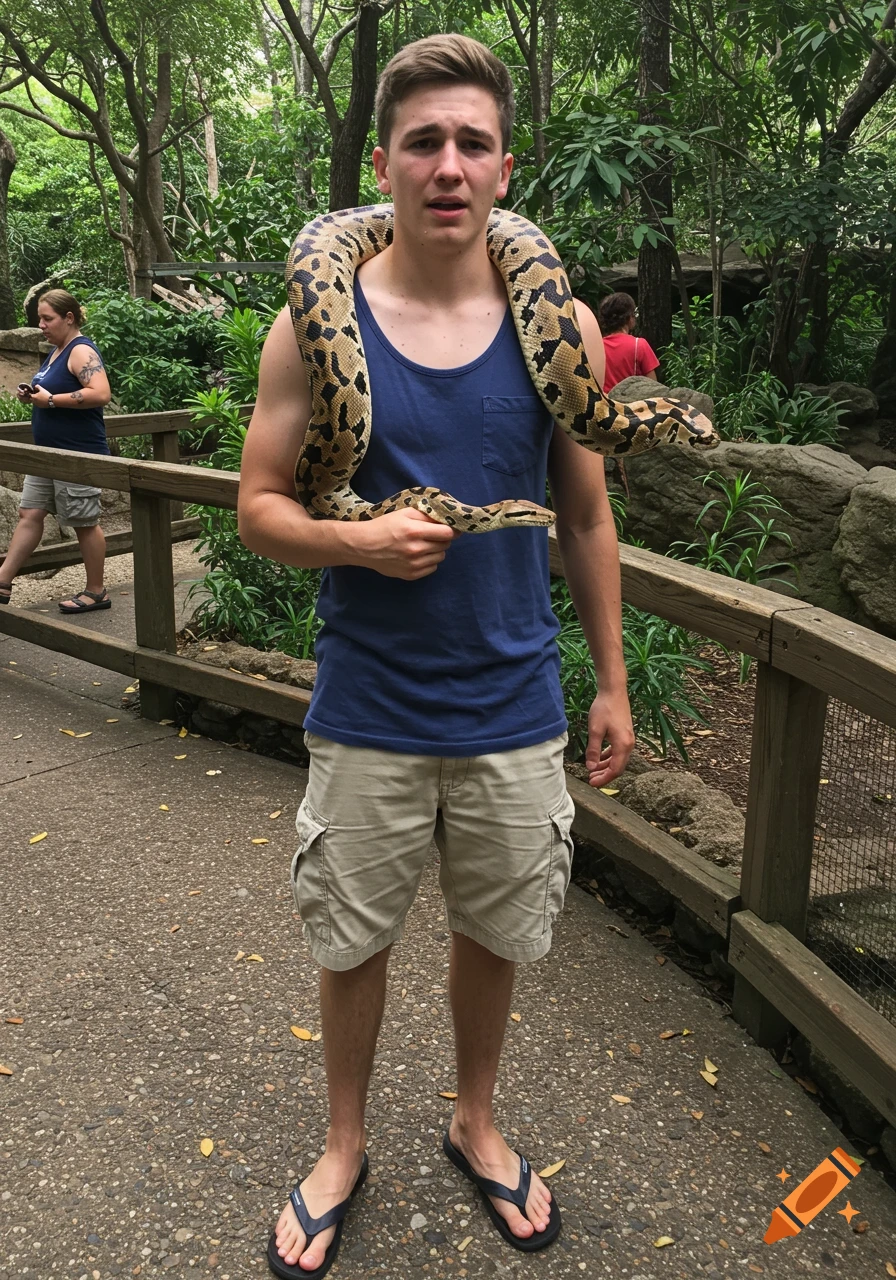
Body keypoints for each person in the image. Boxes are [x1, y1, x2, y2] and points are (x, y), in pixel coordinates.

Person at [238, 34, 635, 1278]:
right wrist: (355, 543)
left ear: (503, 168)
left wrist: (611, 678)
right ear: (383, 164)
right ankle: (343, 1139)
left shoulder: (557, 322)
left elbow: (583, 513)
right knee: (349, 934)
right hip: (368, 702)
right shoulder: (317, 316)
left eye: (471, 142)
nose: (448, 165)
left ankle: (474, 1117)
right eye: (424, 142)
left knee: (493, 929)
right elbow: (258, 505)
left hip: (514, 699)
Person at [0, 289, 113, 612]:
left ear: (69, 318)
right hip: (47, 453)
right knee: (30, 513)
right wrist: (35, 395)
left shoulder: (80, 350)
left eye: (47, 318)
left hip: (76, 453)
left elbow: (100, 393)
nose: (41, 325)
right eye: (40, 319)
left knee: (84, 521)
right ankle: (3, 581)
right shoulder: (56, 352)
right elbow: (57, 391)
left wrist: (49, 400)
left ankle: (96, 591)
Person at [597, 291, 660, 393]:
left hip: (604, 405)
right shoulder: (639, 345)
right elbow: (654, 387)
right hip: (632, 406)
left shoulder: (597, 346)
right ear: (629, 318)